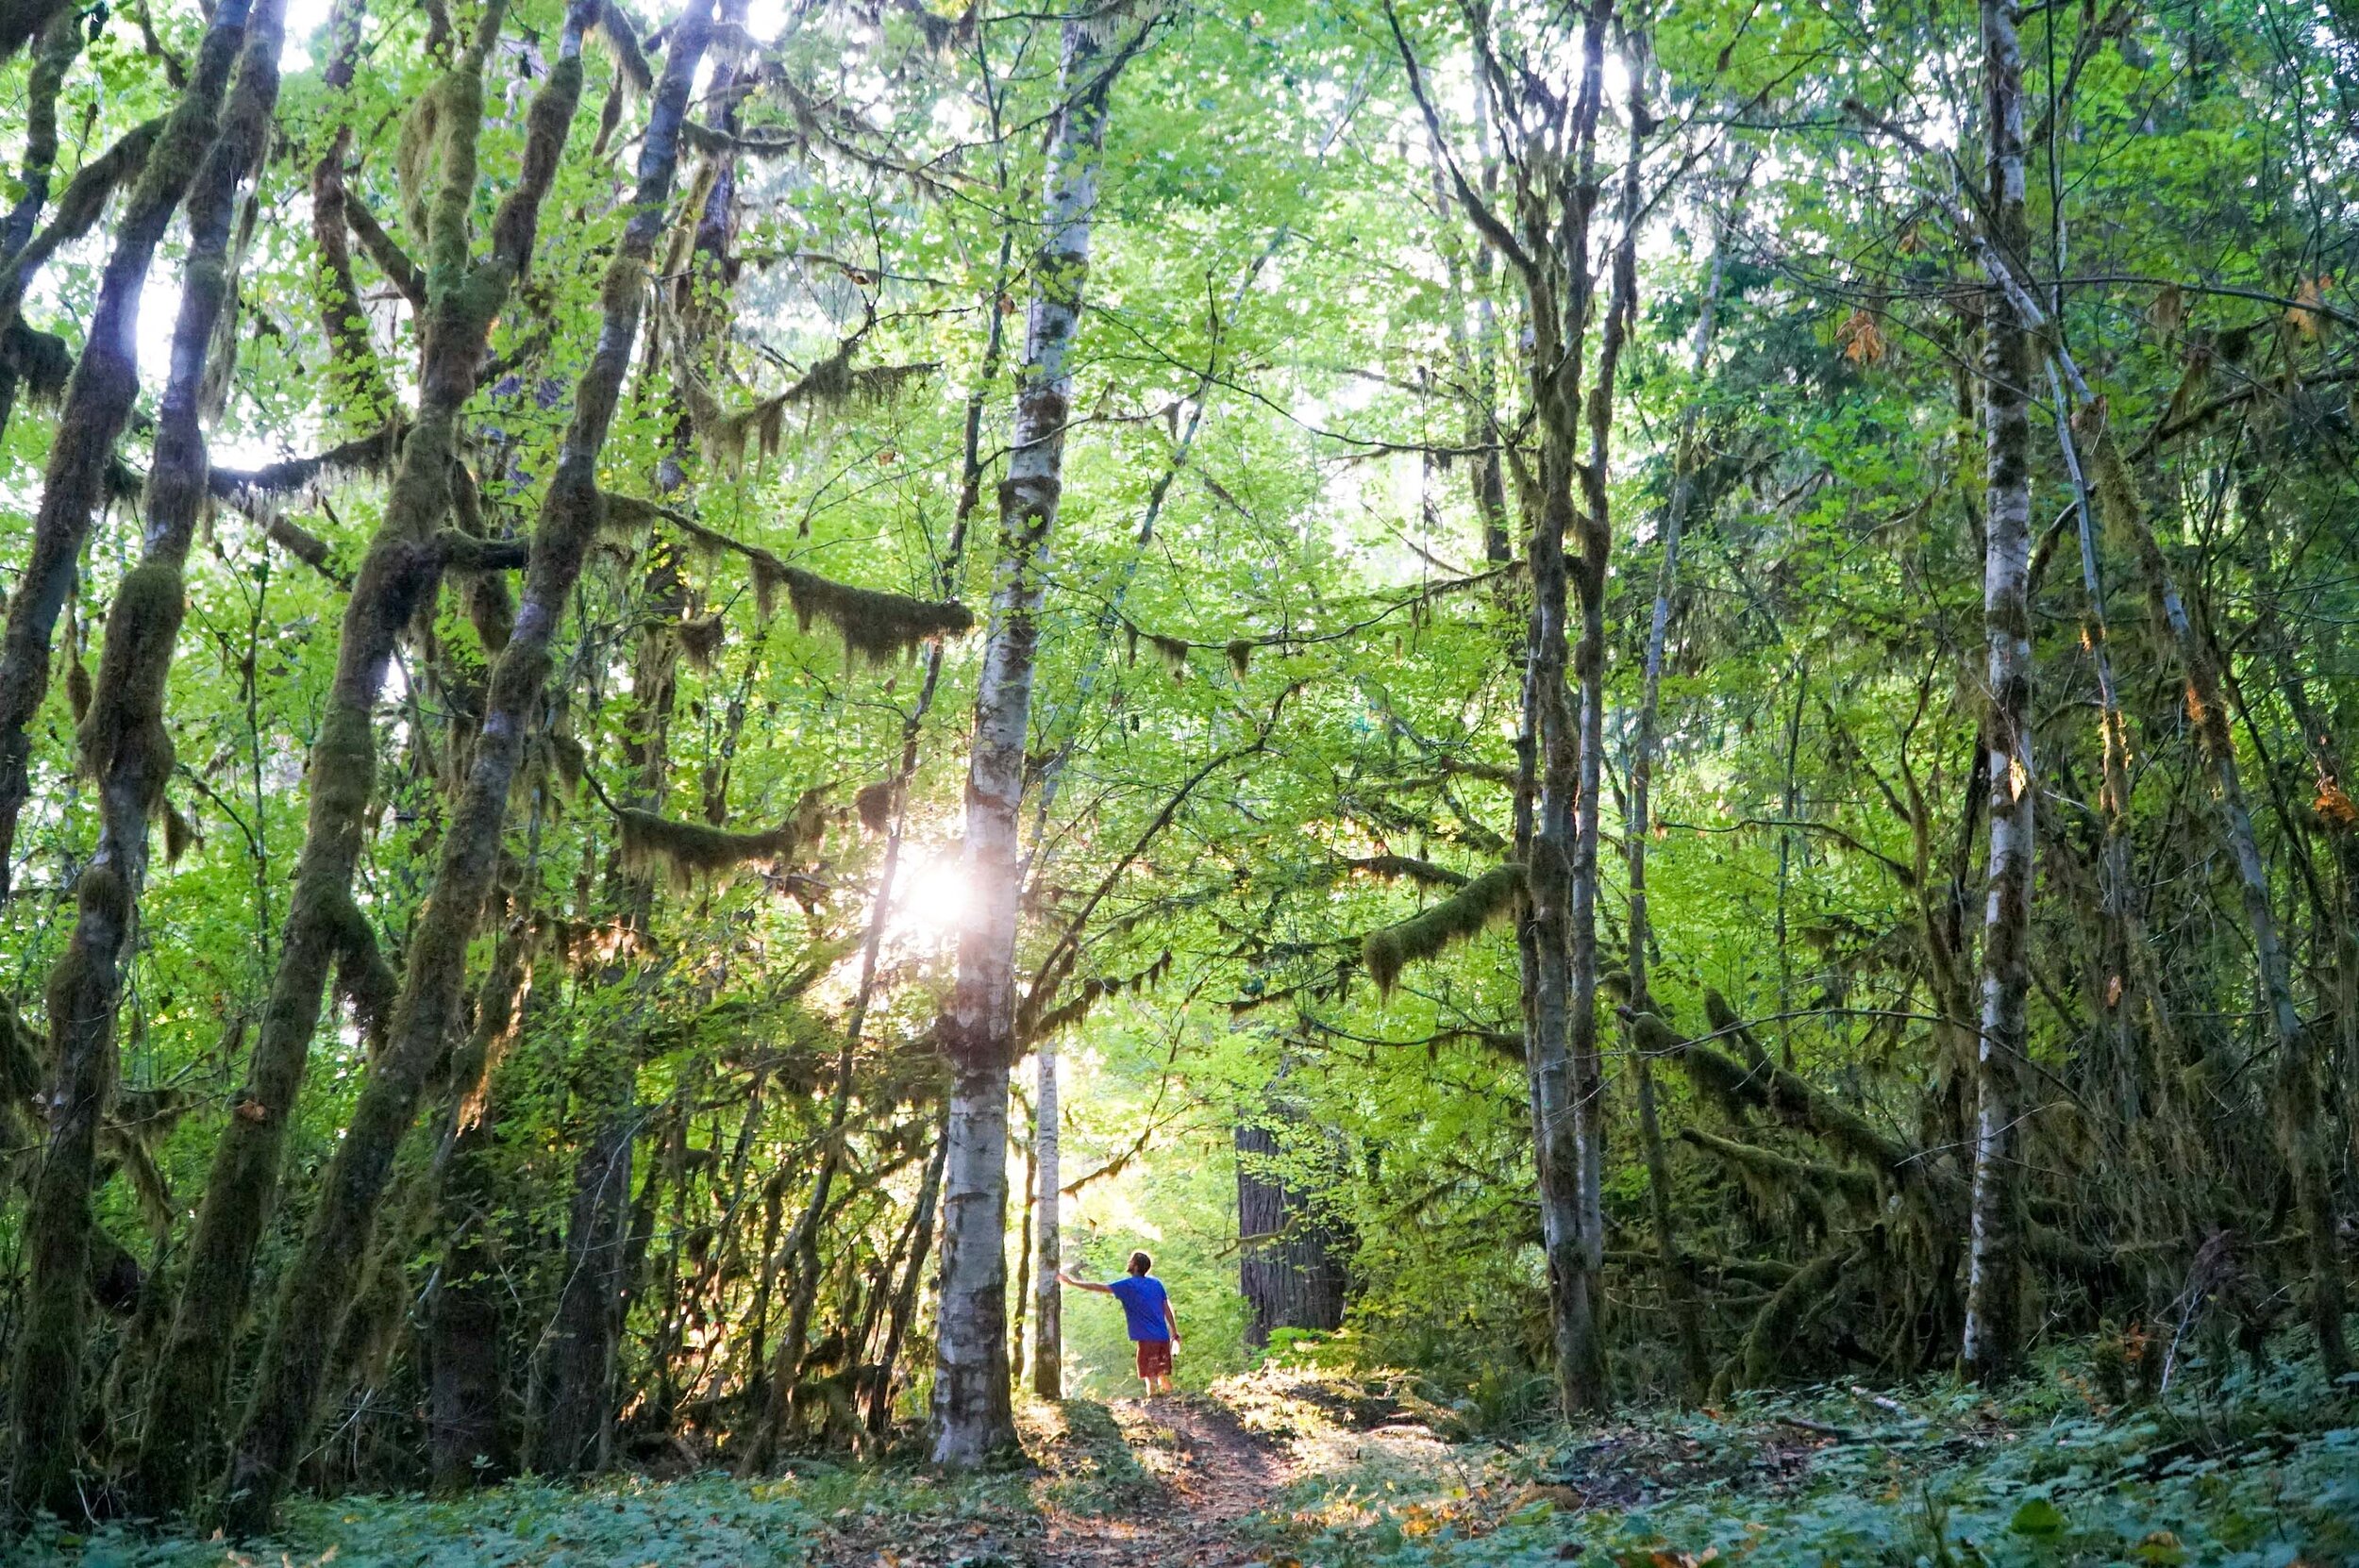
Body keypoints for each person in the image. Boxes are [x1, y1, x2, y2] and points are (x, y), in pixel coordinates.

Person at [1058, 1250, 1180, 1395]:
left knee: (1150, 1376)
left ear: (1135, 1266)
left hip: (1147, 1339)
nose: (1129, 1263)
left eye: (1131, 1261)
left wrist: (1072, 1283)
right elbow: (1167, 1309)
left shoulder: (1128, 1285)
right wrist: (1174, 1332)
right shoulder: (1156, 1284)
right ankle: (1173, 1401)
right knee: (1161, 1373)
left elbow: (1099, 1287)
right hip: (1163, 1337)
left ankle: (1154, 1405)